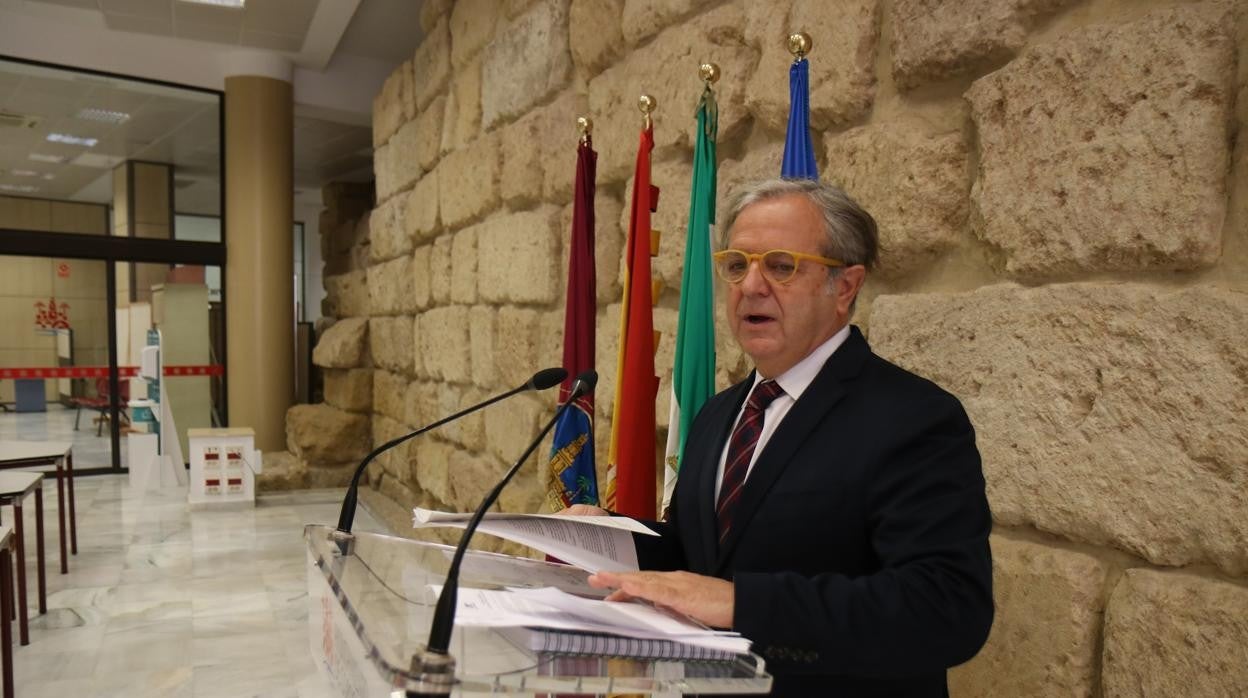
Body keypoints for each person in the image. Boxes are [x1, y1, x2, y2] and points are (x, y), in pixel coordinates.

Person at [565, 178, 994, 696]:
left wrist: (741, 604)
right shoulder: (720, 413)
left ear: (846, 287)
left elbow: (946, 610)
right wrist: (605, 538)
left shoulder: (914, 417)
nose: (750, 286)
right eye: (737, 264)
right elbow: (699, 555)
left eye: (781, 265)